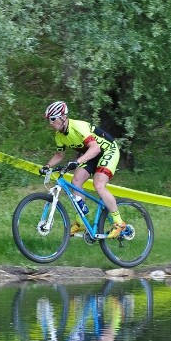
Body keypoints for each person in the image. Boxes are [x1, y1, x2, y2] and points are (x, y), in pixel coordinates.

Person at [39, 101, 127, 239]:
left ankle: (119, 222)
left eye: (53, 119)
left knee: (98, 184)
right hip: (92, 154)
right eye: (49, 120)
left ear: (63, 117)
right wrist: (47, 166)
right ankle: (80, 222)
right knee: (76, 181)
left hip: (107, 150)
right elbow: (59, 155)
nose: (50, 123)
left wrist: (77, 161)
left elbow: (95, 148)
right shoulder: (59, 136)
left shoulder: (78, 126)